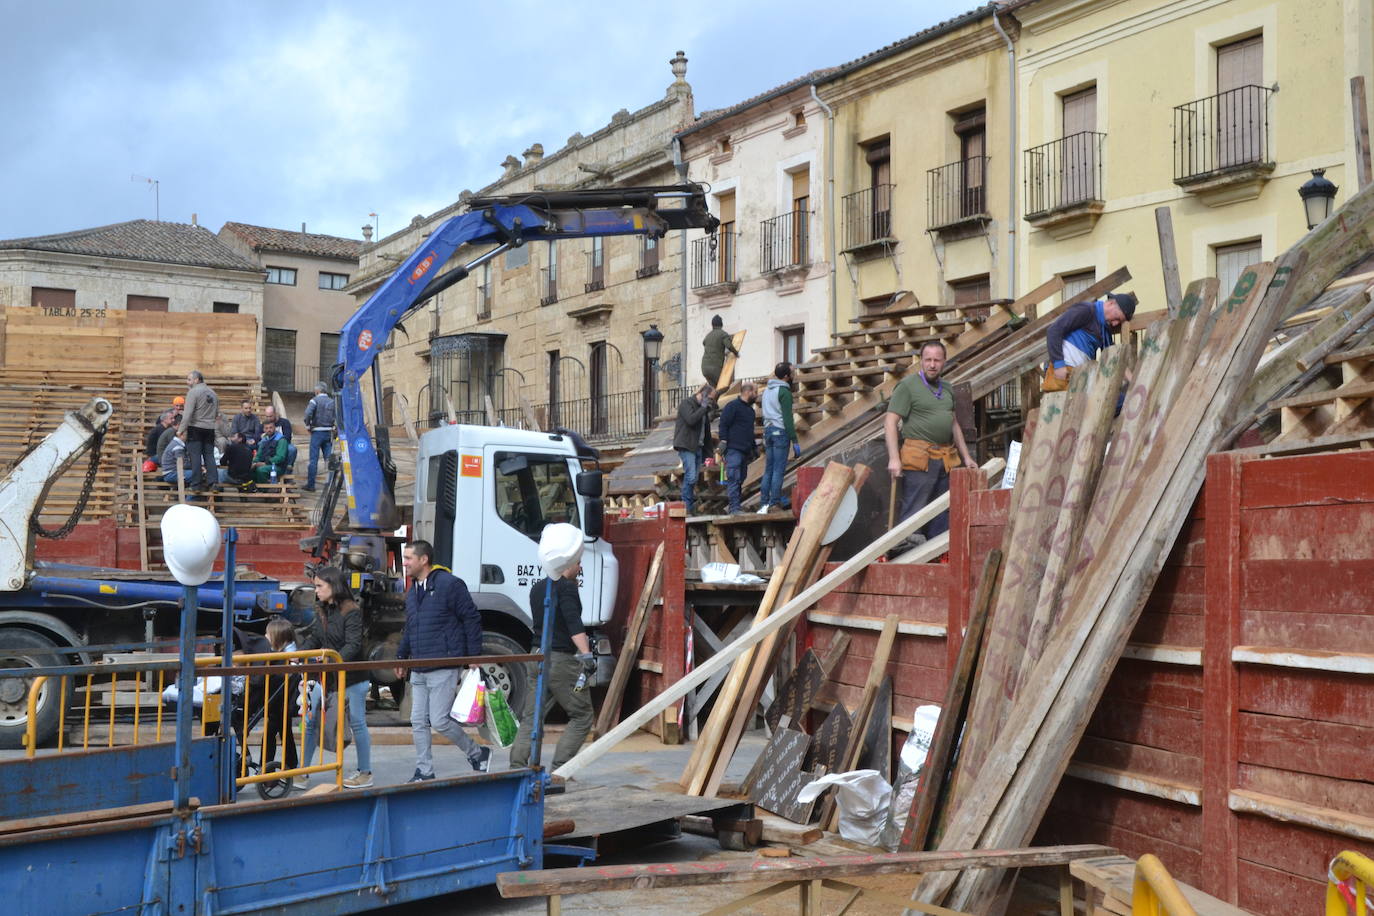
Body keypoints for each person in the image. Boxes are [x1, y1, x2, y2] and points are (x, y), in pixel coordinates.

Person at [394, 539, 491, 780]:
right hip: (418, 666)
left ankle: (477, 752)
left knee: (439, 720)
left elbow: (471, 618)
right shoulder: (414, 590)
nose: (404, 563)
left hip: (443, 665)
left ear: (423, 559)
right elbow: (411, 626)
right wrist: (401, 656)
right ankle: (424, 771)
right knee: (418, 721)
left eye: (408, 559)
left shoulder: (450, 584)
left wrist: (473, 655)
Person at [509, 523, 596, 777]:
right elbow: (573, 624)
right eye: (578, 563)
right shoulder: (567, 587)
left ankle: (516, 768)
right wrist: (587, 655)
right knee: (582, 715)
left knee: (532, 716)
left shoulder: (538, 588)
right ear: (567, 565)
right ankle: (561, 770)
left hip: (536, 656)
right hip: (560, 660)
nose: (580, 568)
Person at [884, 342, 974, 548]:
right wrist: (894, 458)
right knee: (914, 513)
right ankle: (907, 559)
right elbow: (890, 422)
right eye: (928, 360)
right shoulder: (907, 386)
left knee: (942, 511)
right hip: (919, 458)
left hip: (946, 459)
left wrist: (967, 457)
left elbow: (953, 424)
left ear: (944, 362)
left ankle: (937, 555)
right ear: (921, 361)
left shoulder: (948, 388)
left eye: (937, 360)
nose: (932, 365)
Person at [297, 567, 373, 789]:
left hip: (352, 678)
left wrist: (331, 661)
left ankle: (366, 772)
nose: (316, 590)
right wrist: (300, 655)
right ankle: (303, 772)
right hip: (329, 677)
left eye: (320, 586)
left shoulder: (351, 611)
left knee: (357, 723)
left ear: (334, 586)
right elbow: (316, 637)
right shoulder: (323, 610)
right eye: (316, 586)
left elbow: (353, 644)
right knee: (310, 722)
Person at [1043, 292, 1138, 392]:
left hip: (1080, 376)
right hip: (1064, 372)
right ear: (1111, 303)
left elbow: (1115, 358)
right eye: (1117, 318)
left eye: (1119, 322)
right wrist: (1059, 365)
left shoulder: (1105, 331)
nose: (1115, 324)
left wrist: (1133, 381)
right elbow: (1054, 330)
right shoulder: (1086, 310)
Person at [263, 617, 302, 777]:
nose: (265, 636)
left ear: (279, 638)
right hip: (281, 700)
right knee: (284, 733)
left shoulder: (290, 655)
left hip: (282, 700)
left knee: (272, 733)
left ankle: (266, 770)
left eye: (268, 634)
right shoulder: (283, 652)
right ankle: (291, 766)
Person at [760, 362, 801, 513]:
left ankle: (764, 503)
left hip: (768, 431)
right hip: (780, 433)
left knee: (769, 469)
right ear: (786, 376)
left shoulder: (766, 391)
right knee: (778, 470)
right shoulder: (784, 392)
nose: (794, 374)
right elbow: (788, 418)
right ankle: (774, 503)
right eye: (792, 372)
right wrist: (795, 440)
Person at [672, 384, 715, 516]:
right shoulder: (686, 404)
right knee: (690, 477)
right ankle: (686, 507)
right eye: (711, 399)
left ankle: (688, 507)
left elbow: (706, 433)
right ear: (703, 395)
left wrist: (710, 454)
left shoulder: (704, 409)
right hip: (686, 446)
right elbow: (691, 420)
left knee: (694, 478)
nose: (711, 402)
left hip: (698, 447)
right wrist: (703, 408)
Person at [717, 381, 759, 515]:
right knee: (733, 477)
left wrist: (753, 448)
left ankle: (736, 507)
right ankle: (734, 508)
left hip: (744, 450)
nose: (756, 395)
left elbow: (749, 431)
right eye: (755, 392)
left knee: (740, 478)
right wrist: (723, 441)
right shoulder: (732, 406)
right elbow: (723, 424)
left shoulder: (750, 411)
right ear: (747, 392)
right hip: (733, 448)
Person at [178, 370, 219, 491]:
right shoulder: (213, 393)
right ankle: (213, 483)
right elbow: (216, 413)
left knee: (195, 456)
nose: (187, 382)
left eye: (189, 379)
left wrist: (181, 429)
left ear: (196, 380)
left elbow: (188, 414)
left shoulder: (193, 392)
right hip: (210, 428)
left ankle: (196, 484)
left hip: (196, 428)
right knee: (209, 456)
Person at [303, 383, 336, 492]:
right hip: (329, 433)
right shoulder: (332, 402)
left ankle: (311, 485)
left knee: (313, 460)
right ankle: (331, 485)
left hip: (317, 432)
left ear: (317, 391)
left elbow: (308, 413)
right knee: (329, 460)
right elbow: (337, 416)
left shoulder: (314, 400)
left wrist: (308, 425)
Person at [700, 314, 739, 388]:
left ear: (712, 325)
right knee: (724, 387)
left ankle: (712, 399)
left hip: (704, 368)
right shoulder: (723, 334)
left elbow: (704, 343)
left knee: (715, 389)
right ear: (721, 324)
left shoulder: (708, 336)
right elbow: (729, 345)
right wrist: (736, 353)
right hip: (714, 368)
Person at [252, 419, 289, 484]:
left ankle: (266, 489)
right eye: (266, 428)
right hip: (265, 464)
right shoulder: (264, 440)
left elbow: (280, 457)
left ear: (275, 428)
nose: (269, 430)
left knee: (261, 470)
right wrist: (254, 463)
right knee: (250, 469)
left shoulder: (281, 440)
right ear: (263, 430)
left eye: (271, 427)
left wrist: (266, 463)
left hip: (278, 466)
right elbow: (259, 455)